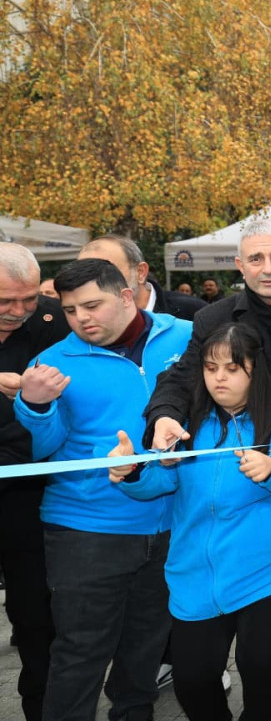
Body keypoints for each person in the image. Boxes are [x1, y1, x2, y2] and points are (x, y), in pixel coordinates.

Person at [141, 220, 271, 720]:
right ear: (239, 265)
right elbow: (182, 378)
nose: (267, 268)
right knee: (200, 671)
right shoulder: (214, 318)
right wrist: (160, 426)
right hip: (217, 524)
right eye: (256, 259)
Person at [110, 323, 271, 721]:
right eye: (210, 368)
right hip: (195, 573)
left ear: (254, 371)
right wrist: (133, 473)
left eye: (231, 368)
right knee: (192, 682)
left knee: (261, 670)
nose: (218, 378)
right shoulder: (186, 420)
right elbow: (163, 479)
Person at [14, 257, 192, 721]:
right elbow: (43, 450)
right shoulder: (51, 363)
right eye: (70, 310)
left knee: (145, 651)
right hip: (86, 528)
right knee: (80, 653)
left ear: (128, 295)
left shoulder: (186, 336)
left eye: (92, 305)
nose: (81, 319)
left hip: (173, 521)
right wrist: (34, 406)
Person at [0, 243, 68, 721]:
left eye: (28, 299)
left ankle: (42, 709)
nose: (19, 312)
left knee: (36, 617)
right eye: (5, 301)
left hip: (29, 492)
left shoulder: (54, 321)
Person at [80, 234, 206, 320]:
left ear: (140, 272)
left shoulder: (194, 313)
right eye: (85, 275)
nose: (94, 283)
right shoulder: (80, 319)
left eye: (107, 272)